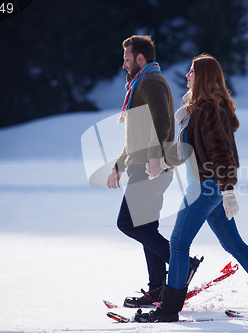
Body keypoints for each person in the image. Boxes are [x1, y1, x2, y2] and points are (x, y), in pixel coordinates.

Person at [145, 54, 248, 322]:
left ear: (203, 76)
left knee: (178, 243)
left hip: (205, 188)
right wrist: (163, 163)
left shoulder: (211, 110)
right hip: (207, 188)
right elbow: (187, 150)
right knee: (233, 243)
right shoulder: (195, 110)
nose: (187, 75)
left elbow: (223, 153)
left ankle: (168, 310)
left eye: (191, 71)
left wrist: (229, 190)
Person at [106, 35, 175, 307]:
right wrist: (118, 165)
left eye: (126, 59)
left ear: (140, 58)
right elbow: (134, 137)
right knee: (147, 226)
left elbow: (163, 122)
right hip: (143, 164)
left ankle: (181, 261)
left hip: (149, 167)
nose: (123, 64)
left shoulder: (151, 83)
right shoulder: (141, 84)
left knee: (127, 223)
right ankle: (157, 288)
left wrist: (156, 156)